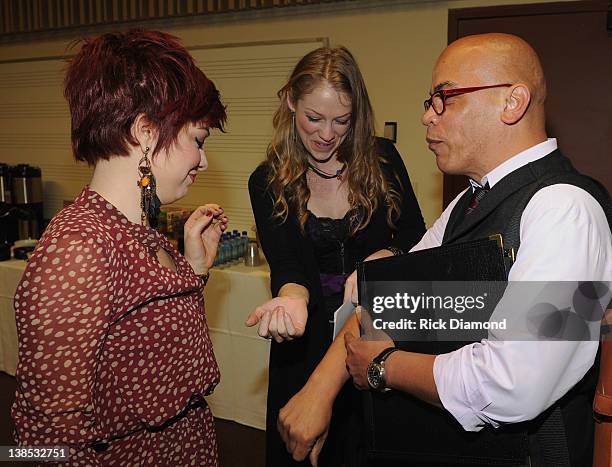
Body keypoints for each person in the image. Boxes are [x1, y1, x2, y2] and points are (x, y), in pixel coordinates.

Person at [278, 33, 611, 466]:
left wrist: (385, 367)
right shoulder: (468, 202)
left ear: (512, 102)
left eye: (444, 98)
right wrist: (319, 390)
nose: (426, 116)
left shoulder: (567, 211)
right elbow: (392, 301)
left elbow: (512, 384)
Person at [11, 30, 228, 465]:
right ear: (146, 132)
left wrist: (194, 270)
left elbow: (143, 345)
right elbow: (45, 440)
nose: (202, 161)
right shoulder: (78, 250)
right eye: (198, 141)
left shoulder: (138, 228)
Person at [246, 46, 425, 466]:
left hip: (376, 335)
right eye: (314, 118)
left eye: (341, 121)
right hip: (305, 349)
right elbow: (289, 267)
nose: (327, 134)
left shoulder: (383, 160)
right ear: (291, 101)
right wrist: (292, 297)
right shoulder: (267, 181)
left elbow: (418, 235)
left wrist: (389, 251)